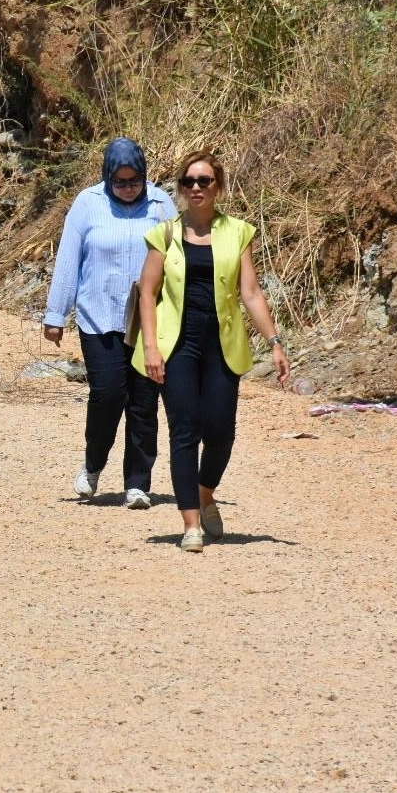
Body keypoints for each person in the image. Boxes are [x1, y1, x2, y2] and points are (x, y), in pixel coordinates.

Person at [132, 151, 289, 552]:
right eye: (189, 181)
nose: (196, 188)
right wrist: (150, 347)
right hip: (176, 345)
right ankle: (190, 525)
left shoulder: (237, 232)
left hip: (221, 343)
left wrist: (274, 342)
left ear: (218, 186)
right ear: (181, 188)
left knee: (220, 432)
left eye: (204, 181)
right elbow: (147, 293)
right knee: (184, 430)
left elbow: (250, 293)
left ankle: (204, 493)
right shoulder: (165, 234)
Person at [42, 137, 176, 509]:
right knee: (108, 394)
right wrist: (55, 314)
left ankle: (138, 483)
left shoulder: (160, 204)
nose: (129, 188)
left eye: (135, 181)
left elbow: (177, 258)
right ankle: (93, 464)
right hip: (99, 315)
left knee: (144, 402)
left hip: (148, 321)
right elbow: (69, 259)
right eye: (120, 182)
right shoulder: (88, 204)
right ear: (107, 177)